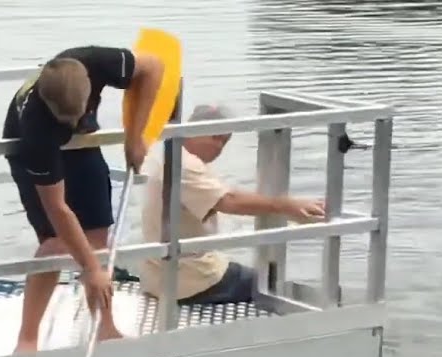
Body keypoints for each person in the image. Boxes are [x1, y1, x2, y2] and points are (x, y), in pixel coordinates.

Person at [4, 45, 166, 353]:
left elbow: (154, 66)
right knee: (55, 244)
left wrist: (136, 137)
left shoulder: (95, 62)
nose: (70, 121)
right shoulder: (37, 130)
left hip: (84, 141)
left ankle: (105, 327)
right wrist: (90, 269)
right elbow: (58, 209)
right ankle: (27, 337)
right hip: (33, 149)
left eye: (76, 114)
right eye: (64, 118)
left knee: (97, 240)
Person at [138, 103, 326, 304]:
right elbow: (229, 201)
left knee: (248, 272)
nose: (219, 147)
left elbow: (227, 194)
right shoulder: (185, 166)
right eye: (215, 138)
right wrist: (287, 205)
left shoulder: (170, 153)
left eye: (225, 141)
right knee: (270, 285)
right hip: (187, 281)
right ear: (194, 131)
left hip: (160, 272)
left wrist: (291, 211)